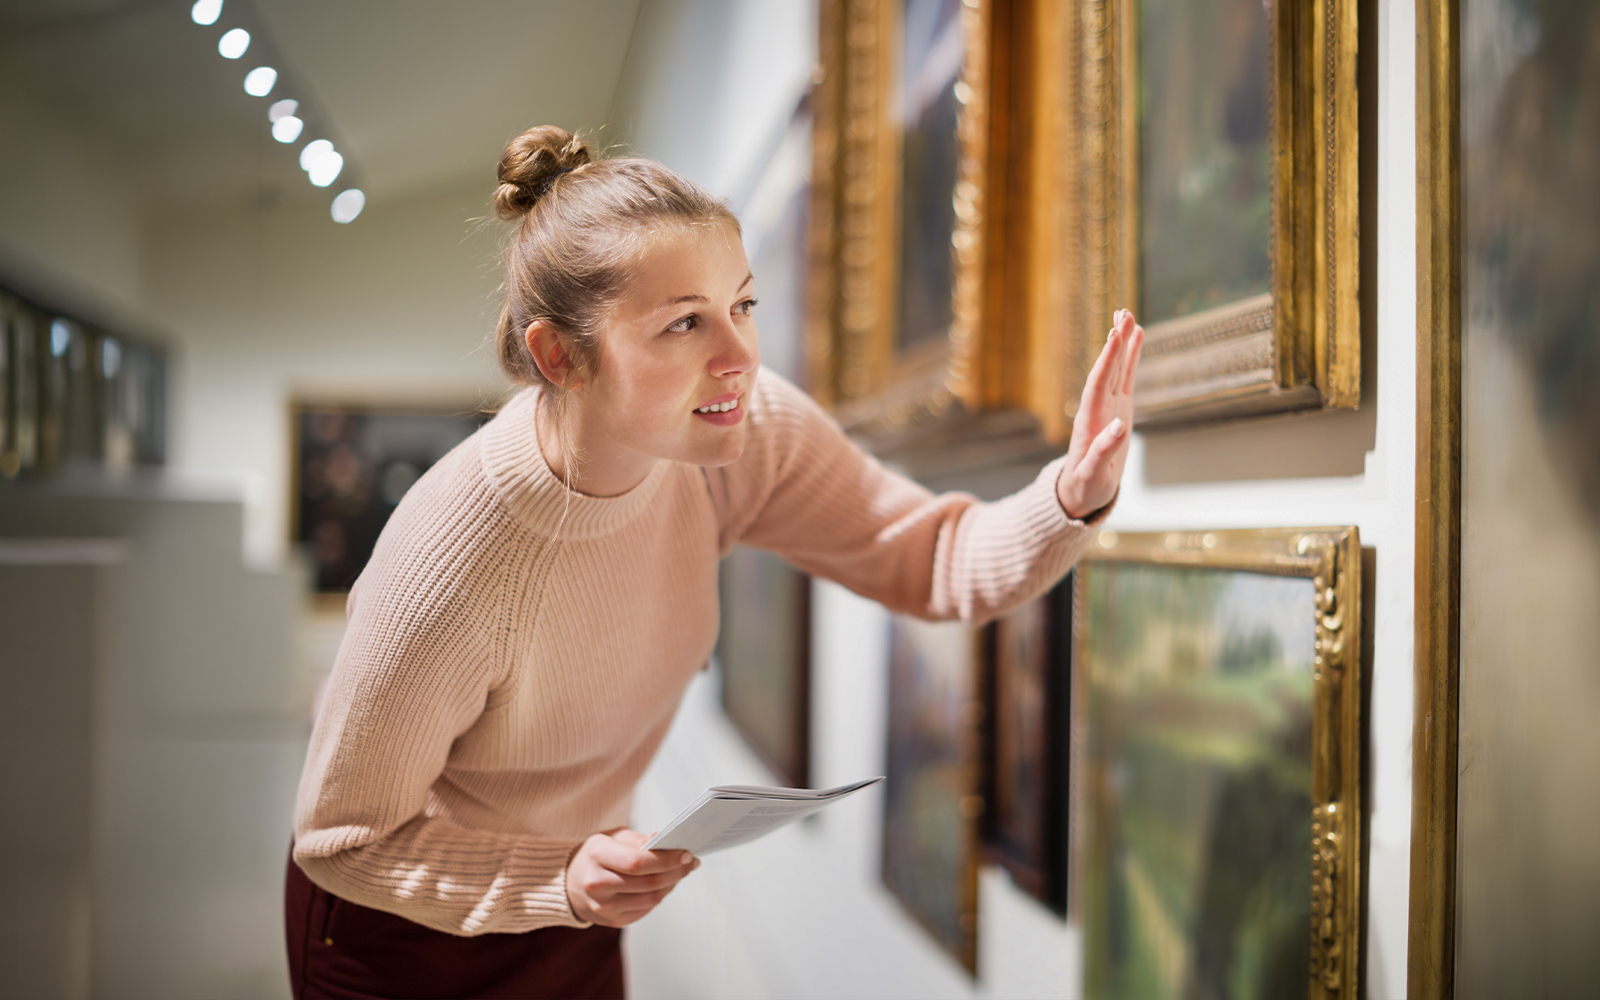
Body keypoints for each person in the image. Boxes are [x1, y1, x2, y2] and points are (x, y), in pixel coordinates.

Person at [285, 124, 1144, 999]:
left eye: (743, 306)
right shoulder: (454, 555)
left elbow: (932, 559)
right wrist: (557, 879)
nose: (739, 359)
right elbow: (343, 840)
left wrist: (1068, 498)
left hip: (576, 905)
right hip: (400, 930)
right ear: (559, 356)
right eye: (684, 323)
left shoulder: (742, 434)